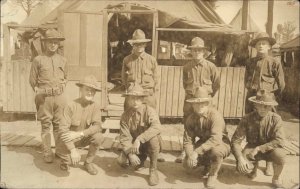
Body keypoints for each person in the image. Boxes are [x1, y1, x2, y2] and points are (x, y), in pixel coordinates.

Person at [245, 32, 285, 175]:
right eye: (258, 44)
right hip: (252, 99)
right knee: (252, 129)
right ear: (255, 46)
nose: (261, 46)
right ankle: (253, 164)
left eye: (264, 43)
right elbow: (246, 81)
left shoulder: (275, 62)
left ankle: (269, 162)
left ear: (269, 46)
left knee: (268, 131)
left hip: (268, 100)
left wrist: (271, 97)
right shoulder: (250, 62)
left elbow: (281, 85)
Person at [176, 37, 220, 163]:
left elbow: (216, 85)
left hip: (206, 103)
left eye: (199, 50)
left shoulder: (211, 67)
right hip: (190, 101)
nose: (196, 53)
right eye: (194, 50)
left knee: (207, 126)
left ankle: (205, 152)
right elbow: (185, 84)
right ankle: (186, 150)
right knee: (188, 125)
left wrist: (207, 98)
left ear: (204, 52)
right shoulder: (187, 67)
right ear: (191, 52)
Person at [231, 89, 286, 188]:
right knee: (242, 168)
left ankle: (276, 177)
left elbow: (280, 140)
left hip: (270, 150)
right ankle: (253, 169)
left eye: (266, 106)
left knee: (280, 155)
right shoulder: (247, 118)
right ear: (255, 105)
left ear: (271, 107)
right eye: (260, 105)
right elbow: (236, 140)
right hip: (251, 149)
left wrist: (259, 148)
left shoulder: (276, 119)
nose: (263, 109)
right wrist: (240, 158)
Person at [29, 29, 68, 163]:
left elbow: (66, 77)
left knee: (59, 125)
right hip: (44, 98)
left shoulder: (63, 60)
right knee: (46, 125)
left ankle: (59, 150)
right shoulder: (38, 60)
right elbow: (32, 81)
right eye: (50, 42)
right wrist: (41, 92)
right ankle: (47, 151)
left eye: (55, 42)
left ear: (58, 44)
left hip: (59, 98)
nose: (53, 45)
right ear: (45, 43)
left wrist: (62, 86)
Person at [183, 87, 230, 189]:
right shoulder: (190, 119)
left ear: (207, 103)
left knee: (216, 152)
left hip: (221, 143)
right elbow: (188, 141)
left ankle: (213, 174)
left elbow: (216, 139)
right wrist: (190, 155)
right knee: (187, 165)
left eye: (203, 103)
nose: (199, 106)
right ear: (192, 104)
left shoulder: (215, 116)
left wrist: (197, 151)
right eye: (196, 103)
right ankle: (208, 165)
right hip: (204, 143)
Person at [56, 75, 104, 175]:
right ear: (81, 90)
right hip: (67, 140)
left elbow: (98, 126)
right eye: (87, 89)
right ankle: (65, 160)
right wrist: (73, 150)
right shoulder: (70, 105)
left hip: (82, 137)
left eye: (92, 90)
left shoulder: (95, 106)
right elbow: (62, 130)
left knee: (99, 137)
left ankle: (88, 163)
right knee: (69, 161)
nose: (90, 92)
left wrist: (80, 134)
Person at [117, 83, 162, 186]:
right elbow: (124, 137)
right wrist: (130, 154)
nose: (135, 101)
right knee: (121, 161)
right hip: (134, 147)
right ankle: (140, 160)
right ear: (128, 99)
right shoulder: (125, 116)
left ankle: (153, 170)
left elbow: (157, 127)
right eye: (132, 98)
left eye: (138, 98)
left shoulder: (150, 111)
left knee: (154, 139)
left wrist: (139, 139)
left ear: (142, 99)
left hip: (148, 144)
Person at [121, 29, 159, 110]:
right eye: (136, 44)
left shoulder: (151, 60)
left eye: (141, 44)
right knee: (129, 118)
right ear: (133, 45)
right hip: (132, 95)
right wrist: (131, 89)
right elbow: (124, 79)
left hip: (147, 95)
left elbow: (156, 79)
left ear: (145, 44)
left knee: (150, 117)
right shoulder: (127, 60)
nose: (139, 46)